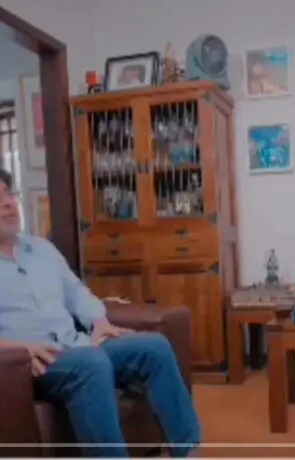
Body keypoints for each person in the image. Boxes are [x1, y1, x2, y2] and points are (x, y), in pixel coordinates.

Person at [0, 169, 200, 457]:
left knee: (154, 347)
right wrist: (19, 350)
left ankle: (188, 451)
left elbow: (76, 292)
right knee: (91, 363)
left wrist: (99, 320)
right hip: (34, 364)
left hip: (77, 346)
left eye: (9, 193)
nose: (9, 203)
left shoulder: (42, 249)